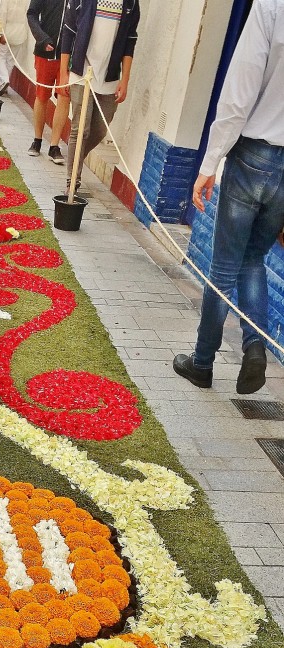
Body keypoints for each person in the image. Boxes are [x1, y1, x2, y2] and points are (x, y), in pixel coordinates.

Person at [173, 0, 284, 396]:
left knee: (224, 266)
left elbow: (240, 91)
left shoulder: (271, 7)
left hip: (255, 152)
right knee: (253, 257)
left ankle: (202, 363)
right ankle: (255, 344)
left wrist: (209, 162)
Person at [59, 1, 140, 190]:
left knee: (100, 130)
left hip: (110, 77)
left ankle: (75, 159)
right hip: (81, 72)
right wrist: (64, 72)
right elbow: (68, 30)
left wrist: (125, 80)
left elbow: (130, 40)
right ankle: (72, 180)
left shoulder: (131, 3)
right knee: (80, 129)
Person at [26, 0, 70, 165]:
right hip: (45, 50)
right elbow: (31, 14)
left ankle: (54, 146)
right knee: (42, 96)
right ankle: (37, 140)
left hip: (68, 56)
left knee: (64, 97)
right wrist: (41, 38)